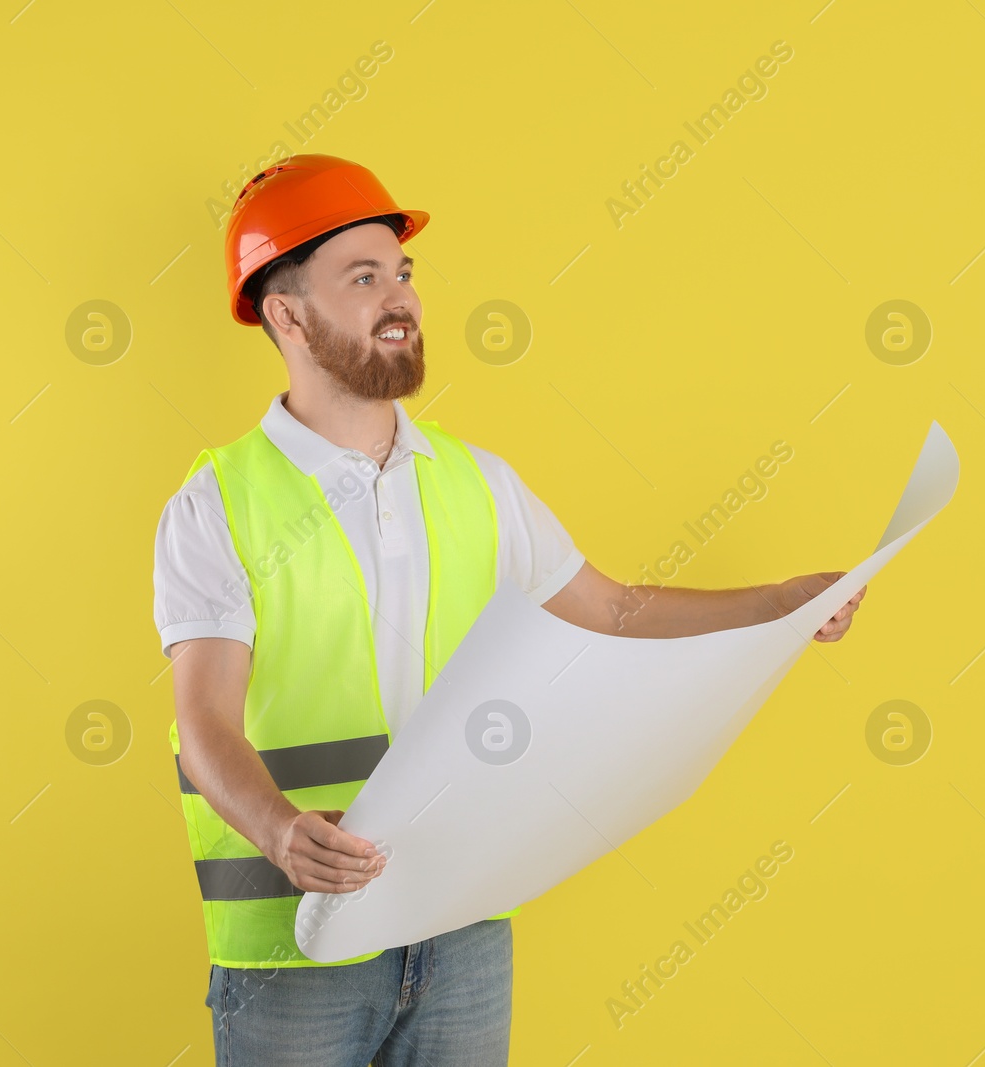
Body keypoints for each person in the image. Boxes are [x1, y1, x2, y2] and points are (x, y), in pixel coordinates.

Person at [152, 154, 867, 1066]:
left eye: (402, 272)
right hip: (298, 943)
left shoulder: (476, 481)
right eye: (363, 277)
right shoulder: (221, 501)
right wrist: (280, 830)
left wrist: (776, 603)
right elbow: (203, 724)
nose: (399, 296)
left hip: (463, 918)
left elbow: (609, 609)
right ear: (287, 313)